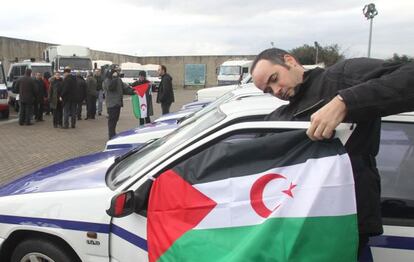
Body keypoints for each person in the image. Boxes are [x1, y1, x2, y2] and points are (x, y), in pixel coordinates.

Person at [250, 48, 414, 258]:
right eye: (268, 90)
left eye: (274, 79)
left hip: (347, 224)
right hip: (305, 228)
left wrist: (344, 102)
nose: (276, 90)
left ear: (289, 61)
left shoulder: (341, 76)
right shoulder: (281, 116)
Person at [104, 70, 135, 139]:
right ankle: (111, 136)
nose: (118, 73)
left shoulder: (118, 80)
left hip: (118, 103)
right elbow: (110, 87)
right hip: (111, 104)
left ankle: (113, 134)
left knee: (115, 120)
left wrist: (133, 91)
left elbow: (125, 88)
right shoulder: (107, 81)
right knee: (112, 121)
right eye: (116, 72)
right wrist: (115, 78)